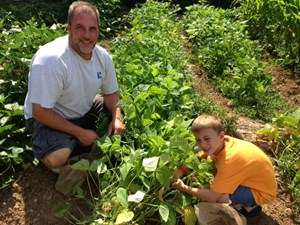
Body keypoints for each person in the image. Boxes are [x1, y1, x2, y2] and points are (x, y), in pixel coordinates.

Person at [24, 1, 125, 173]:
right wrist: (80, 133)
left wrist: (118, 118)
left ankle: (76, 143)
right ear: (68, 28)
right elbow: (39, 112)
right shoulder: (51, 60)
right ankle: (53, 145)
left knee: (121, 112)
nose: (87, 35)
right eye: (80, 28)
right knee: (59, 156)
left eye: (92, 29)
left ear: (98, 30)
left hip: (83, 109)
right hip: (48, 117)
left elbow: (111, 94)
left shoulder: (103, 57)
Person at [172, 114, 277, 218]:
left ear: (221, 136)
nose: (202, 145)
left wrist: (184, 187)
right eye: (198, 140)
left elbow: (212, 197)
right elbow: (198, 157)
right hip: (253, 179)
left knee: (220, 198)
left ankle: (249, 206)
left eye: (207, 139)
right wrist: (181, 170)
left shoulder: (229, 160)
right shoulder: (224, 142)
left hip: (261, 191)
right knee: (211, 159)